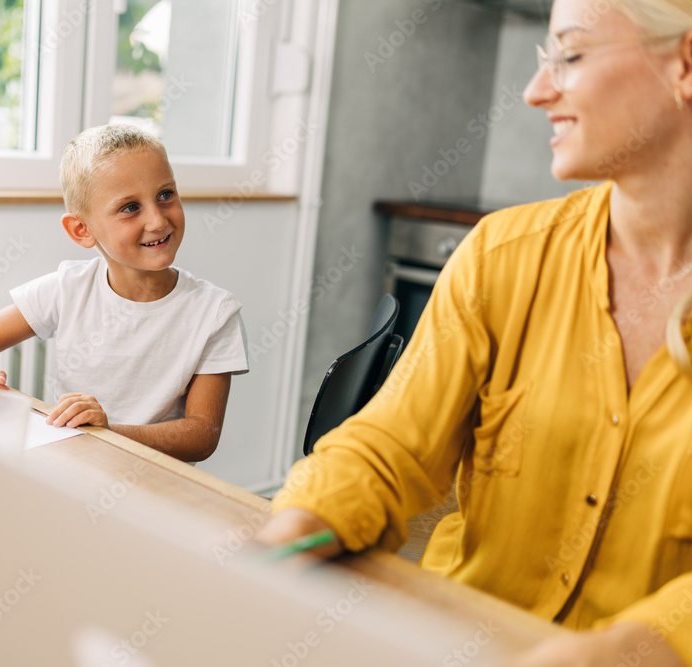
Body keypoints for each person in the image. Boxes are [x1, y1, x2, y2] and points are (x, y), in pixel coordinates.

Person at [256, 0, 692, 664]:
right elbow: (391, 443)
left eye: (570, 55)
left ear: (685, 63)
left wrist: (632, 646)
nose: (535, 91)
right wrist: (302, 523)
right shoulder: (501, 254)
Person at [0, 124, 249, 463]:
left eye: (165, 195)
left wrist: (108, 431)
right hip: (74, 469)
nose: (157, 220)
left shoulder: (215, 311)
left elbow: (202, 435)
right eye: (130, 207)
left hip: (158, 485)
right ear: (82, 230)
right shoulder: (67, 287)